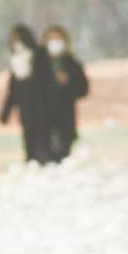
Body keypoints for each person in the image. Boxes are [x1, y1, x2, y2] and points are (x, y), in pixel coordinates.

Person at [0, 24, 57, 165]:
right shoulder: (16, 61)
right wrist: (5, 112)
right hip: (26, 110)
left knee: (44, 143)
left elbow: (48, 83)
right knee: (29, 142)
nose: (15, 43)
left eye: (18, 39)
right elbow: (13, 90)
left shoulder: (40, 55)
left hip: (43, 109)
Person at [43, 24, 89, 163]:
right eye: (51, 39)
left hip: (65, 120)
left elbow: (83, 90)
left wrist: (68, 82)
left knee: (63, 158)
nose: (55, 43)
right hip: (42, 122)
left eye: (58, 39)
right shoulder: (38, 65)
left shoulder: (73, 65)